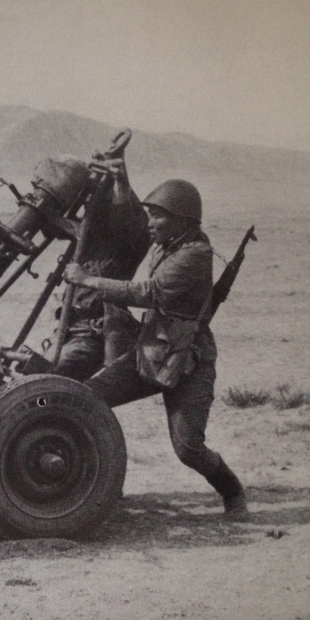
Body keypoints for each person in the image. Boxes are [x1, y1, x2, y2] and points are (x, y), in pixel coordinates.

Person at [65, 179, 248, 520]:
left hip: (188, 362)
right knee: (88, 398)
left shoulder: (195, 255)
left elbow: (150, 292)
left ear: (183, 220)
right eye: (149, 215)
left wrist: (89, 281)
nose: (150, 223)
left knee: (188, 449)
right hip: (152, 353)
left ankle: (233, 491)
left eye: (158, 216)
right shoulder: (165, 245)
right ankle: (102, 484)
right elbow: (128, 229)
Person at [46, 155, 151, 381]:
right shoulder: (88, 241)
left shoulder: (127, 245)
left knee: (46, 378)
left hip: (93, 338)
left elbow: (128, 217)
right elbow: (55, 223)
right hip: (68, 332)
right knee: (34, 374)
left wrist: (121, 182)